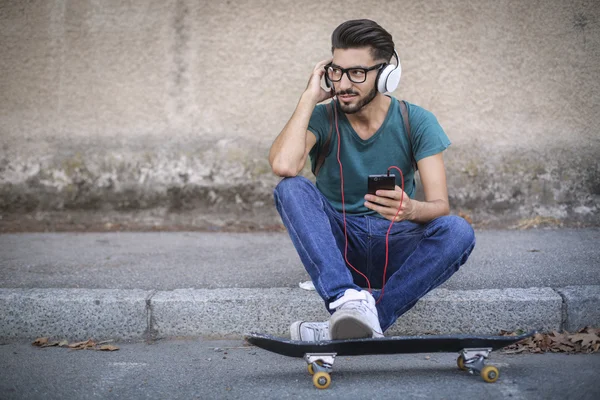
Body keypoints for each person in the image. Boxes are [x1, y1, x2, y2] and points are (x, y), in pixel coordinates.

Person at [268, 19, 475, 341]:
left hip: (398, 244)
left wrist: (411, 209)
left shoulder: (415, 120)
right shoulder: (323, 118)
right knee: (291, 188)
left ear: (387, 75)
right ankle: (345, 298)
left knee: (458, 230)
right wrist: (309, 98)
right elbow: (284, 165)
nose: (343, 84)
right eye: (336, 71)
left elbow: (440, 206)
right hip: (339, 249)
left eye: (357, 73)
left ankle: (370, 318)